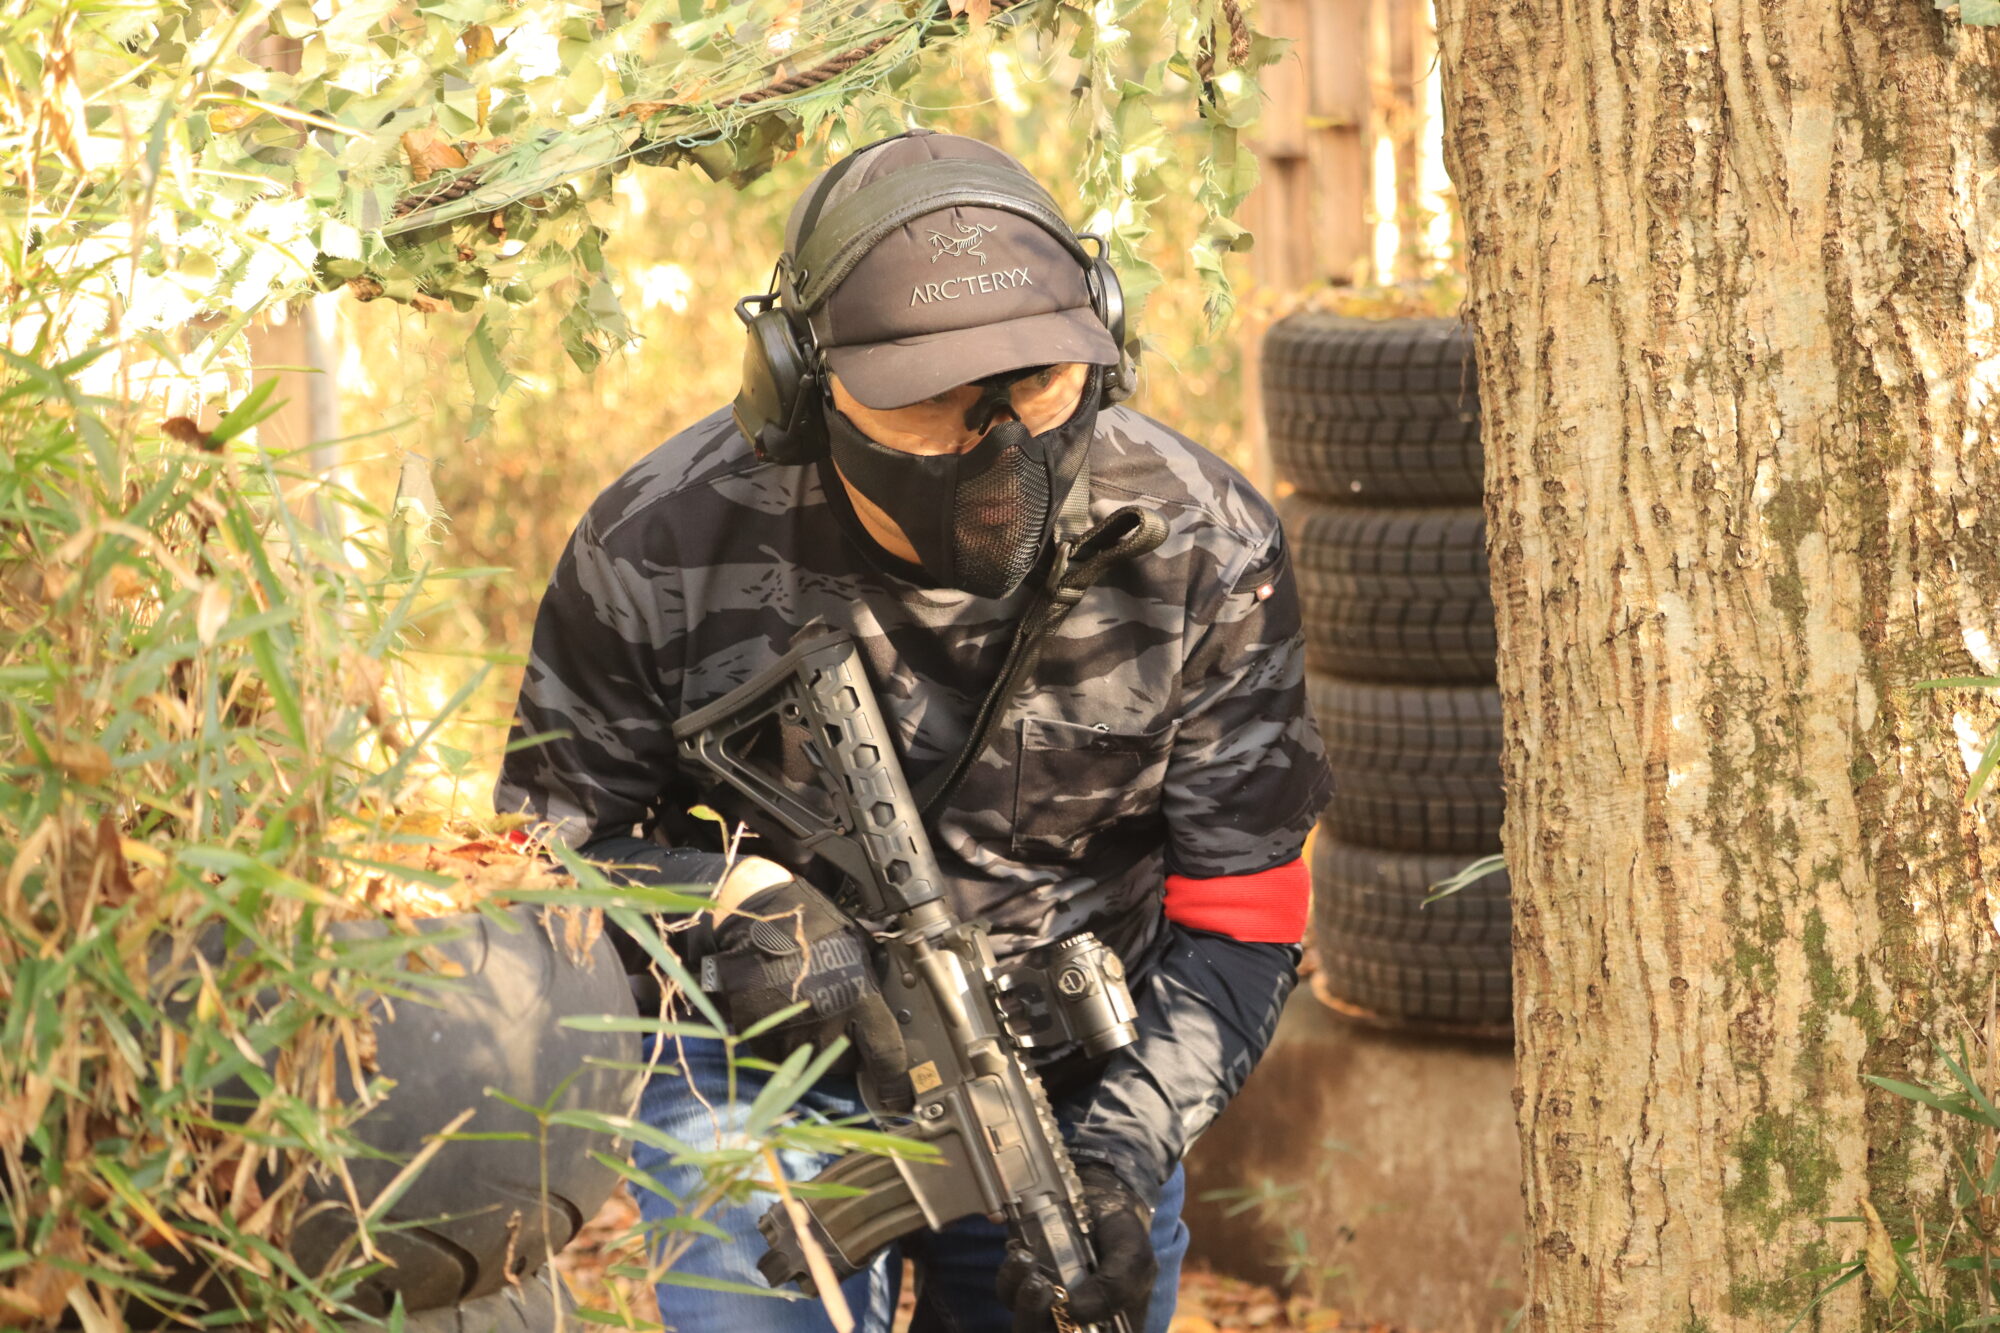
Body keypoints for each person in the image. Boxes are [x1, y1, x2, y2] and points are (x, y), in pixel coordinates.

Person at [494, 128, 1332, 1333]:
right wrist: (727, 899)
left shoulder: (1201, 542)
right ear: (799, 382)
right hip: (758, 1055)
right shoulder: (661, 541)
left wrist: (1121, 1150)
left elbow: (1243, 914)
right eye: (924, 398)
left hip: (1070, 1079)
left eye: (1034, 383)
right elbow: (537, 865)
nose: (995, 444)